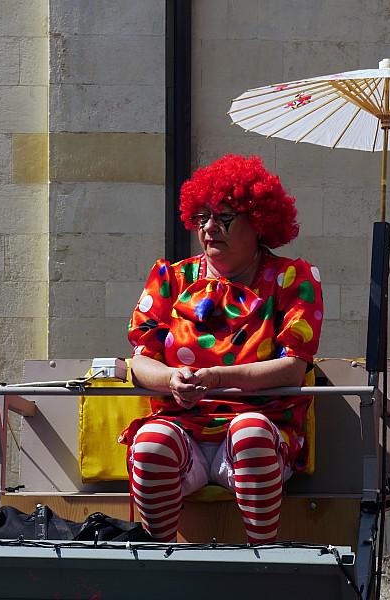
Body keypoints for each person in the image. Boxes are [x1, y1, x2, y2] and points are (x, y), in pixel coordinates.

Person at [120, 154, 323, 543]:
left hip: (261, 434)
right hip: (184, 431)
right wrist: (170, 378)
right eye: (203, 217)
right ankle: (158, 562)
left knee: (250, 435)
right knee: (150, 444)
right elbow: (141, 360)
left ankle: (260, 564)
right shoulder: (171, 278)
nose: (210, 228)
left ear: (259, 222)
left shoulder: (291, 279)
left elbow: (293, 368)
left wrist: (215, 378)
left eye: (224, 218)